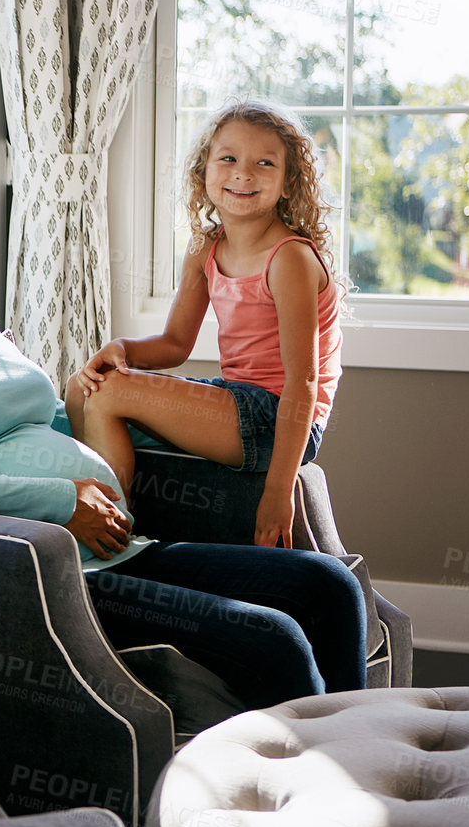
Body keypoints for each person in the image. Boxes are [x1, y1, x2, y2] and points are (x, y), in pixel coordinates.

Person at [0, 141, 366, 709]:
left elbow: (50, 420)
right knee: (276, 641)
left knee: (327, 586)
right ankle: (296, 789)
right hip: (49, 573)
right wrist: (62, 499)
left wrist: (137, 405)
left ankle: (367, 757)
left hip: (115, 545)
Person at [65, 98, 344, 548]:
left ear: (289, 184)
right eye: (228, 158)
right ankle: (105, 519)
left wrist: (278, 493)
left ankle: (112, 540)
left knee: (110, 394)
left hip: (281, 415)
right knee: (83, 388)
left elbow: (303, 383)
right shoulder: (205, 248)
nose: (242, 173)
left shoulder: (289, 258)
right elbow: (175, 343)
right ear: (205, 172)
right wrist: (123, 348)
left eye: (264, 163)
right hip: (237, 397)